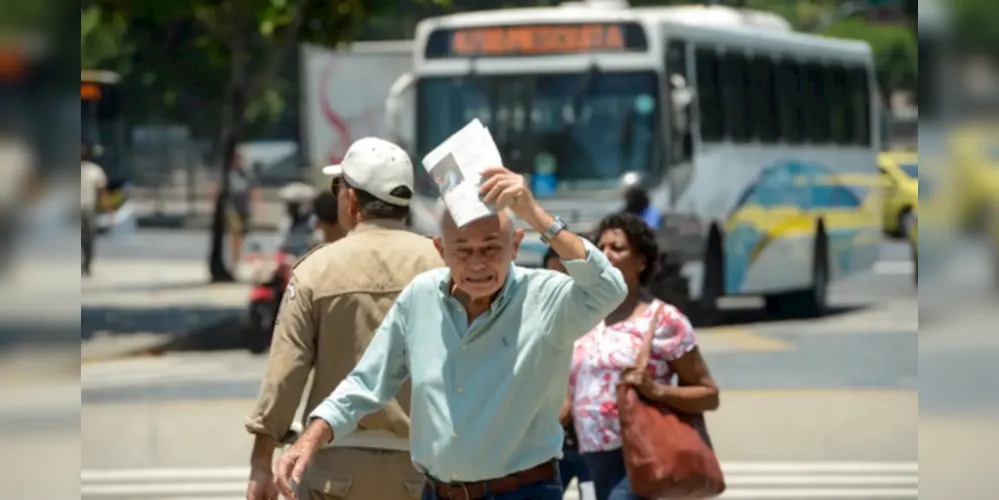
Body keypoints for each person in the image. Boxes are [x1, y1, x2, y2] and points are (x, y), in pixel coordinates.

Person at [274, 165, 629, 500]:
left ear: (516, 245)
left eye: (491, 248)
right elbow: (367, 382)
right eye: (463, 250)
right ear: (441, 250)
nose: (477, 263)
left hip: (523, 491)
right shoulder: (421, 296)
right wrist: (309, 439)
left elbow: (609, 288)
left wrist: (535, 213)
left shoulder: (546, 297)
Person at [244, 137, 444, 500]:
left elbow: (285, 374)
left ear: (350, 199)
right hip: (427, 468)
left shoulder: (316, 270)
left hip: (334, 467)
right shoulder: (443, 264)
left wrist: (261, 463)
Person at [566, 212, 720, 500]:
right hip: (588, 453)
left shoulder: (663, 320)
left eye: (617, 248)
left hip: (637, 453)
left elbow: (708, 394)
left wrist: (656, 390)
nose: (606, 255)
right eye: (600, 248)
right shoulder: (584, 314)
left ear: (641, 261)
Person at [543, 247, 592, 498]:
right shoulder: (538, 323)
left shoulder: (601, 319)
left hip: (595, 447)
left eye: (568, 272)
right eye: (555, 273)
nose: (561, 281)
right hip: (551, 448)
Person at [226, 152, 262, 272]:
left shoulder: (247, 174)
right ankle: (233, 258)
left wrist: (258, 205)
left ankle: (237, 256)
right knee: (235, 232)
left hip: (245, 208)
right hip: (233, 208)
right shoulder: (229, 174)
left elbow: (254, 189)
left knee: (241, 234)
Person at [80, 142, 110, 276]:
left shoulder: (95, 171)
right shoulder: (95, 170)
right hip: (79, 209)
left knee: (87, 238)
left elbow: (101, 191)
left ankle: (86, 262)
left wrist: (108, 207)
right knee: (84, 238)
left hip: (86, 209)